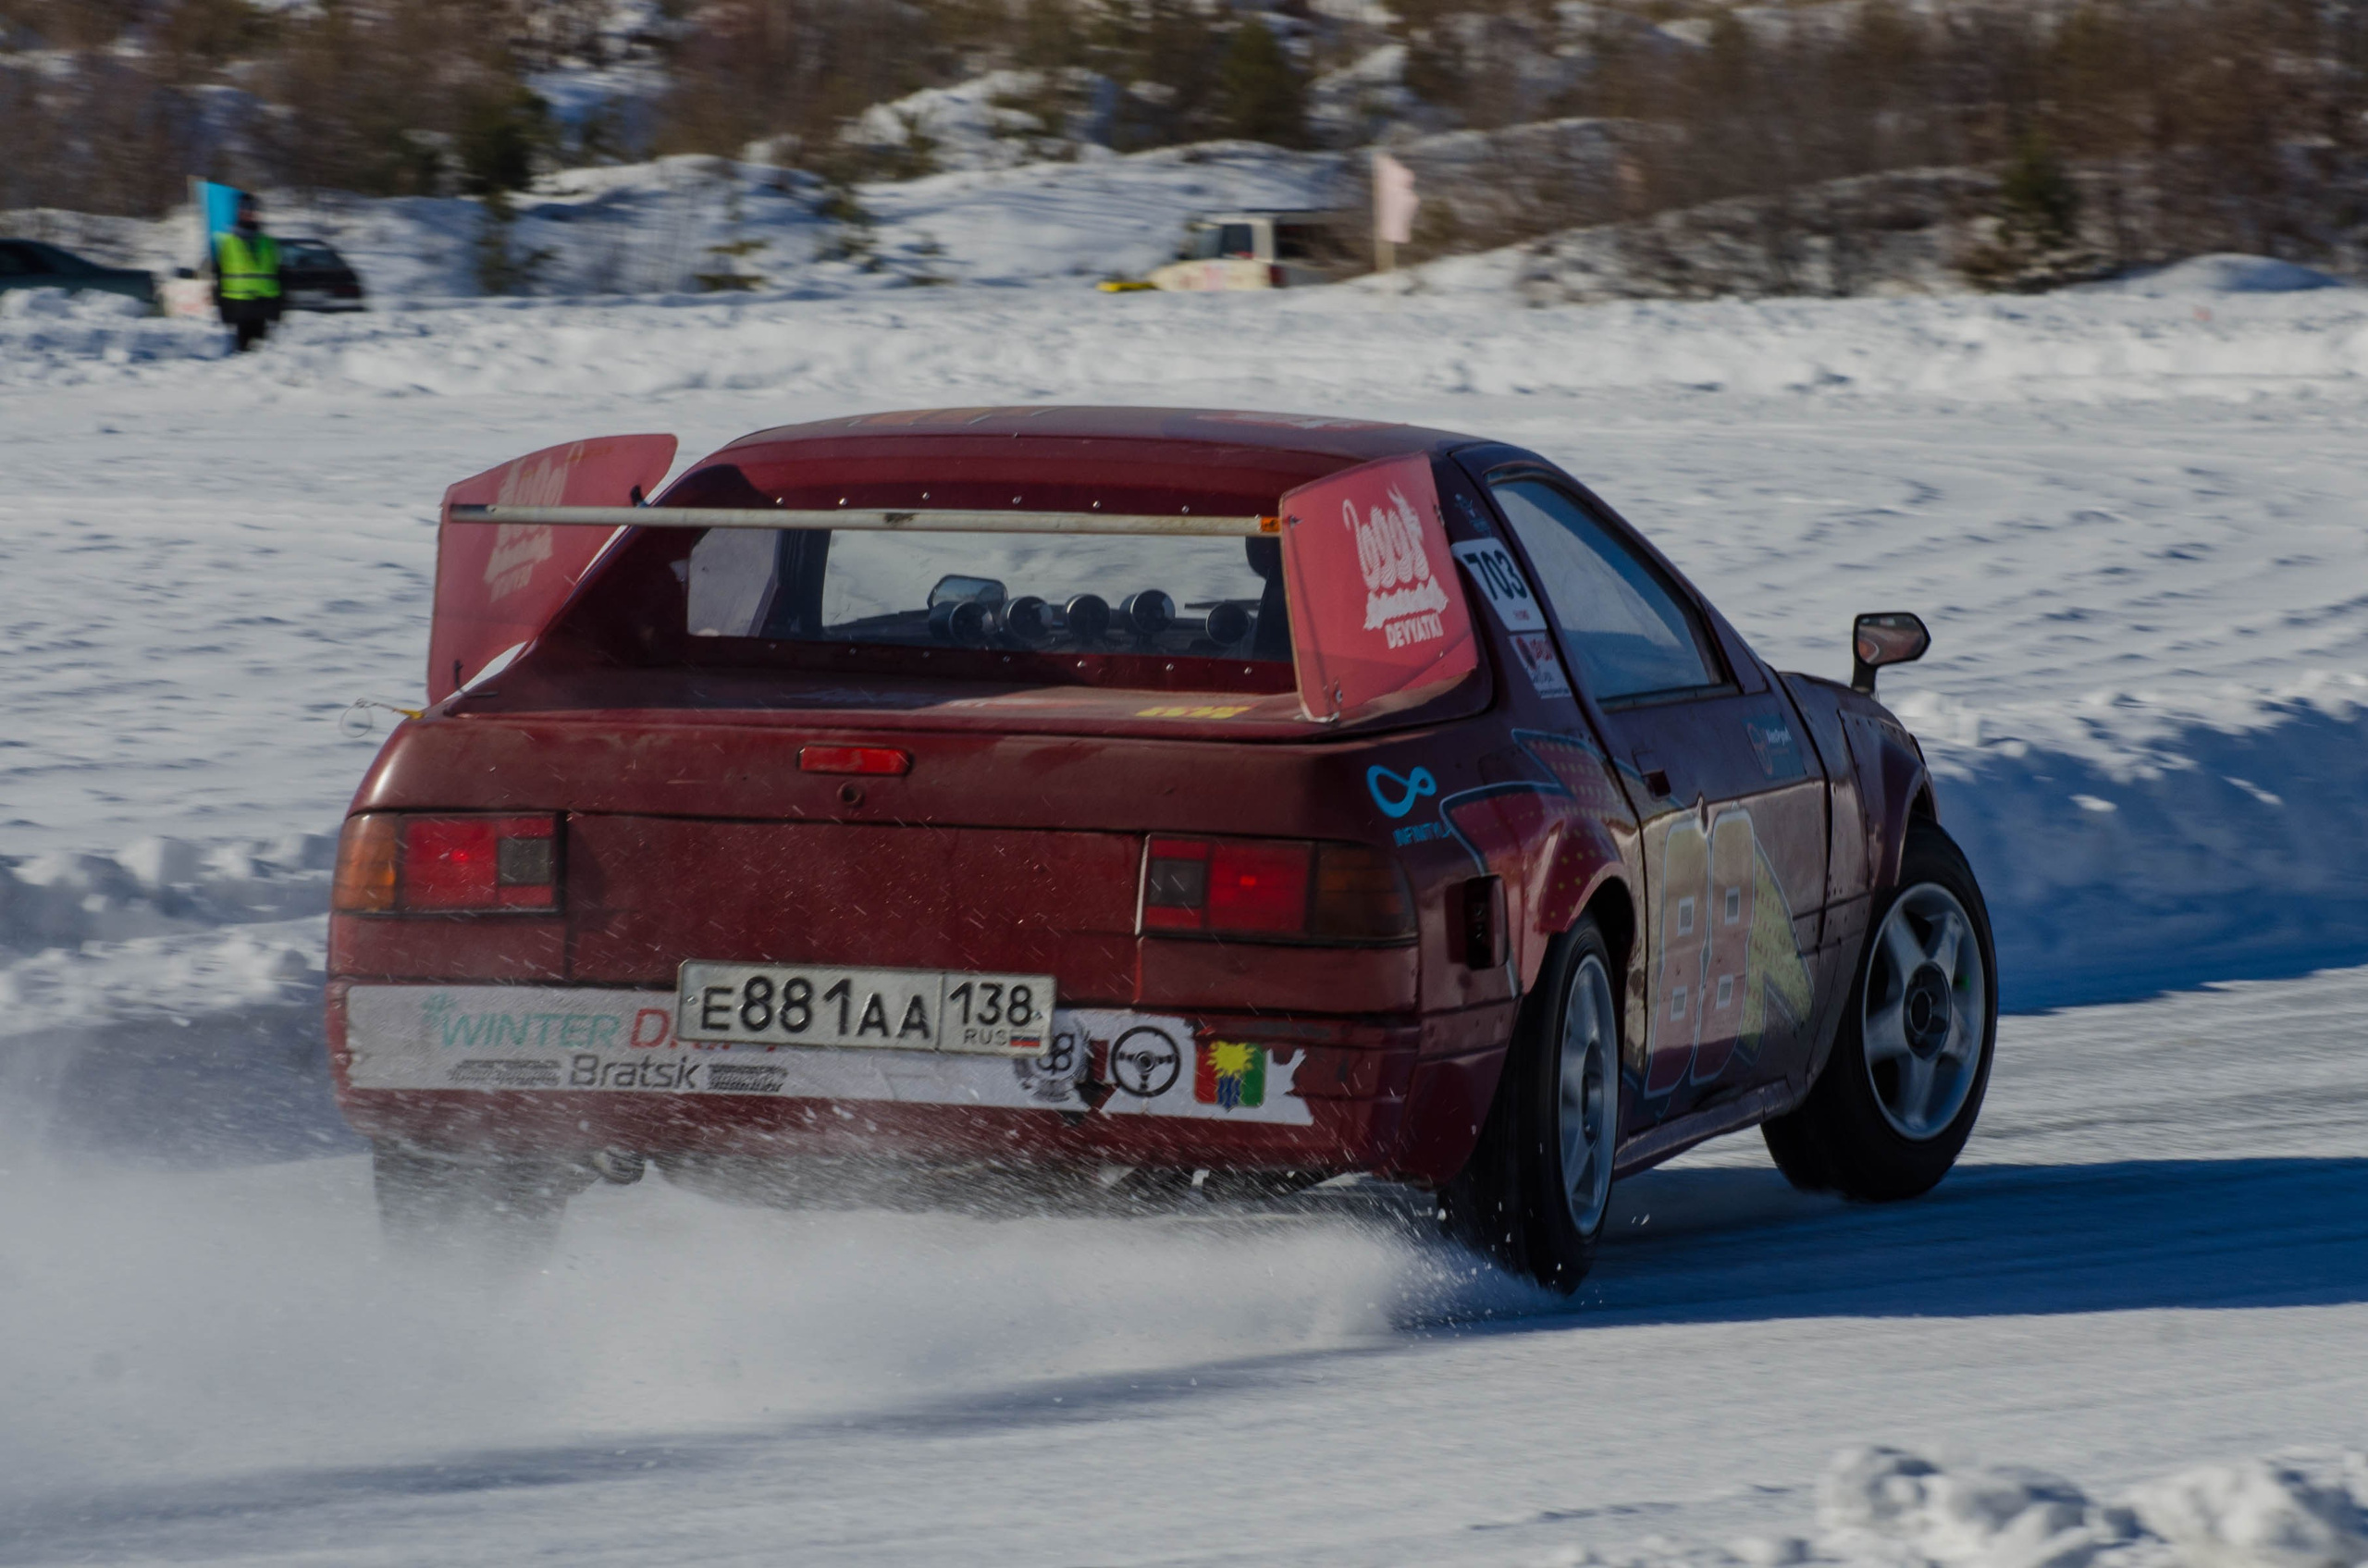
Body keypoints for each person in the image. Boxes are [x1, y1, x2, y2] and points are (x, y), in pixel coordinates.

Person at [212, 193, 282, 352]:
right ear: (238, 212)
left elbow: (278, 275)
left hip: (263, 306)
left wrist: (278, 307)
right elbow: (219, 276)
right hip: (238, 307)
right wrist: (221, 307)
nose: (248, 213)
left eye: (252, 210)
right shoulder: (227, 243)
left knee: (262, 357)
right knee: (241, 360)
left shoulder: (268, 242)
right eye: (245, 209)